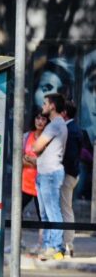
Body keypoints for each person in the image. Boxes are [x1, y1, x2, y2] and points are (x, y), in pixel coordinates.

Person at [29, 93, 69, 260]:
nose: (43, 106)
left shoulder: (54, 125)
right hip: (45, 173)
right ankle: (47, 246)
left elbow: (36, 147)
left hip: (50, 174)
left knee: (52, 212)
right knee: (45, 214)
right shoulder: (56, 124)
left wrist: (37, 149)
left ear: (52, 106)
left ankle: (56, 247)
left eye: (45, 103)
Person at [60, 101, 82, 256]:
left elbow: (71, 156)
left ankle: (68, 243)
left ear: (65, 113)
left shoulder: (70, 130)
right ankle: (67, 242)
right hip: (71, 173)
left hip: (67, 174)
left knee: (65, 208)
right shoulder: (73, 128)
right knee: (65, 207)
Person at [21, 114, 48, 222]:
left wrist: (30, 160)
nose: (40, 121)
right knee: (17, 212)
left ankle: (44, 239)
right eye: (37, 118)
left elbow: (47, 163)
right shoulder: (26, 136)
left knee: (43, 217)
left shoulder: (48, 139)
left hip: (41, 184)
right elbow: (20, 159)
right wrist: (36, 163)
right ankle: (17, 238)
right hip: (25, 183)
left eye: (43, 119)